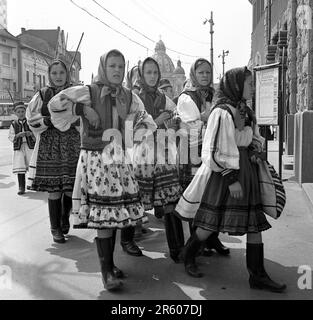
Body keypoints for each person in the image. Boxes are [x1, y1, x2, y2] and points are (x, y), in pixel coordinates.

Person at [48, 49, 156, 291]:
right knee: (105, 218)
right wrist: (81, 110)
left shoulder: (129, 96)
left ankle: (110, 265)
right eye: (112, 66)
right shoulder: (89, 91)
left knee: (114, 215)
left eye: (120, 66)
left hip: (117, 160)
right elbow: (55, 105)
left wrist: (132, 131)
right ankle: (106, 272)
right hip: (96, 160)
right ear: (103, 68)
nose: (117, 70)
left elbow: (146, 120)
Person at [180, 67, 286, 293]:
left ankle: (257, 275)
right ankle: (188, 254)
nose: (252, 87)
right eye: (249, 84)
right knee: (210, 223)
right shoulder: (221, 112)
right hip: (227, 176)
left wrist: (256, 150)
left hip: (247, 170)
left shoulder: (245, 110)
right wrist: (231, 179)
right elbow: (213, 149)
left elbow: (254, 137)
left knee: (254, 223)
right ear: (236, 85)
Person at [175, 58, 230, 256]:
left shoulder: (216, 95)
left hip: (213, 150)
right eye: (201, 73)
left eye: (208, 72)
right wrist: (207, 120)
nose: (205, 76)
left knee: (212, 194)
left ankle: (211, 239)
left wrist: (208, 119)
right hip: (192, 152)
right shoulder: (186, 97)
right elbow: (190, 126)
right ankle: (196, 243)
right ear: (194, 74)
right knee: (196, 195)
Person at [133, 57, 184, 263]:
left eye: (155, 72)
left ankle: (177, 248)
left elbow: (176, 118)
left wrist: (173, 126)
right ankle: (128, 240)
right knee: (136, 199)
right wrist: (157, 121)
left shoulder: (165, 98)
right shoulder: (134, 98)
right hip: (142, 154)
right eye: (148, 72)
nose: (152, 76)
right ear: (142, 74)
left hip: (163, 152)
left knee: (171, 199)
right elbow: (131, 130)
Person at [26, 59, 81, 244]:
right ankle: (55, 228)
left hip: (72, 144)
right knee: (53, 189)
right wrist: (47, 121)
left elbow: (84, 116)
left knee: (68, 188)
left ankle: (64, 219)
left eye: (62, 73)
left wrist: (73, 119)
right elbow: (30, 118)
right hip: (49, 146)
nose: (58, 76)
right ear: (49, 75)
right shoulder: (42, 94)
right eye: (54, 73)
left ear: (68, 74)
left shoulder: (74, 93)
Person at [8, 101, 36, 195]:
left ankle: (33, 184)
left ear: (25, 112)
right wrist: (17, 136)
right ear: (15, 113)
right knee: (20, 167)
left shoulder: (30, 122)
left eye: (22, 111)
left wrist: (31, 134)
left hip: (30, 146)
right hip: (19, 147)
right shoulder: (13, 124)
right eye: (18, 112)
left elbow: (36, 133)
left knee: (32, 166)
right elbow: (10, 136)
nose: (21, 113)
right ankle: (21, 187)